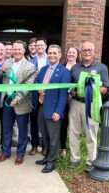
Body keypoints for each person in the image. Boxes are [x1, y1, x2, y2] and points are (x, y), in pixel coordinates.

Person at [69, 41, 109, 173]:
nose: (87, 52)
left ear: (94, 51)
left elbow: (105, 88)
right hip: (76, 103)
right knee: (73, 132)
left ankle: (91, 161)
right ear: (80, 52)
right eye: (84, 50)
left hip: (92, 104)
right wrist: (72, 91)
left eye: (89, 50)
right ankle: (74, 159)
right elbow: (71, 86)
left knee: (91, 133)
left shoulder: (101, 67)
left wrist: (94, 89)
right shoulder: (75, 67)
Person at [0, 40, 36, 165]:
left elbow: (28, 87)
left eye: (19, 49)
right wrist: (2, 70)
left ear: (24, 51)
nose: (17, 51)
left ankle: (20, 154)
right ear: (12, 50)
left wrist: (16, 99)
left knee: (22, 131)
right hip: (7, 102)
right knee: (6, 129)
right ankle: (5, 153)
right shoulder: (7, 62)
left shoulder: (30, 66)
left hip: (21, 103)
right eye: (15, 49)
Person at [35, 44, 71, 173]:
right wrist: (39, 88)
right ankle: (46, 157)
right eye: (50, 53)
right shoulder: (44, 69)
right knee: (44, 136)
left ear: (60, 55)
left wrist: (58, 111)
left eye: (54, 53)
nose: (52, 55)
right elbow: (36, 82)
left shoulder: (64, 72)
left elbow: (63, 94)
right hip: (42, 107)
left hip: (54, 109)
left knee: (53, 138)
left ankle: (52, 162)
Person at [29, 37, 50, 156]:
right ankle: (34, 145)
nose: (39, 48)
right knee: (34, 121)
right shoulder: (32, 62)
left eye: (41, 45)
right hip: (34, 95)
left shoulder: (51, 59)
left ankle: (45, 146)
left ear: (45, 46)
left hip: (48, 95)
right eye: (37, 46)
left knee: (46, 121)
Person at [60, 46, 80, 157]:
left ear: (77, 55)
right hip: (63, 100)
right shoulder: (62, 66)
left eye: (73, 52)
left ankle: (74, 149)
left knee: (74, 126)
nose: (71, 54)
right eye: (69, 52)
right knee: (63, 124)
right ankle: (62, 147)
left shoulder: (79, 68)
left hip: (75, 100)